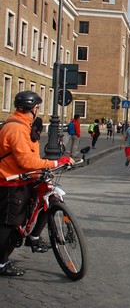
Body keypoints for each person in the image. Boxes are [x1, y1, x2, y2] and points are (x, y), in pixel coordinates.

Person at [0, 91, 73, 276]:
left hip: (25, 177)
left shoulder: (24, 125)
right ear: (33, 108)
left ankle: (33, 236)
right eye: (37, 108)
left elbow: (30, 156)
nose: (38, 111)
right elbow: (26, 162)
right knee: (9, 223)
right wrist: (55, 162)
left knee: (50, 195)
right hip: (11, 182)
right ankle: (1, 263)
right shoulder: (16, 128)